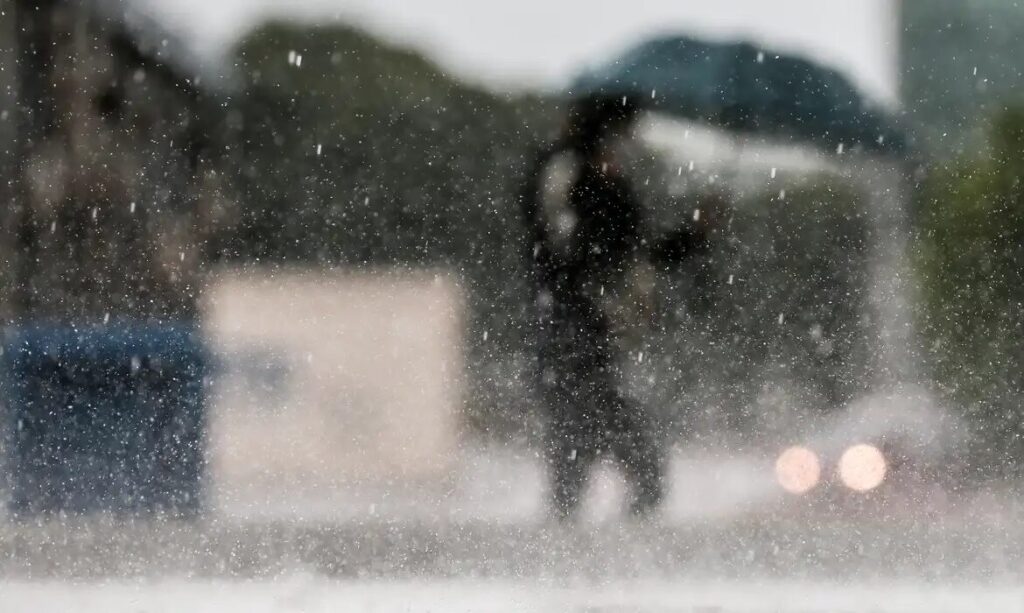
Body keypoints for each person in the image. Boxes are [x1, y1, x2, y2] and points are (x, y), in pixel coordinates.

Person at [520, 95, 715, 518]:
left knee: (593, 461)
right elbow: (566, 248)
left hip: (590, 341)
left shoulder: (600, 176)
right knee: (601, 460)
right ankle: (581, 561)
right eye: (624, 132)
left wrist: (692, 236)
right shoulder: (566, 170)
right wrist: (599, 189)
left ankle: (584, 560)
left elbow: (633, 256)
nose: (628, 143)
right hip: (567, 338)